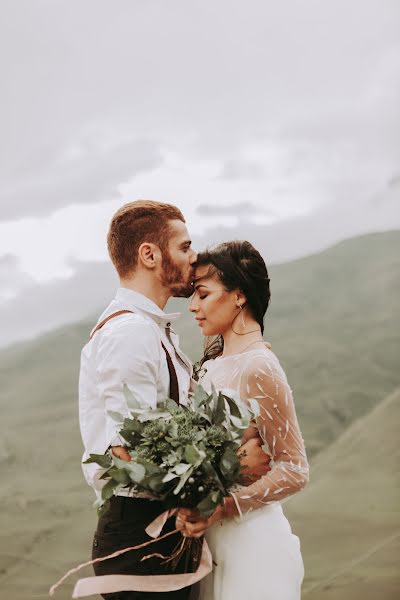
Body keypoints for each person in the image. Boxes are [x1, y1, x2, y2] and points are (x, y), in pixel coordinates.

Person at [78, 201, 271, 600]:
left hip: (159, 530)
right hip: (140, 532)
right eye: (184, 247)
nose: (194, 256)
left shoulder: (148, 330)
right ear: (149, 254)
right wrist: (214, 483)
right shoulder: (130, 333)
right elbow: (125, 448)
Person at [177, 240, 310, 600]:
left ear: (238, 296)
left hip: (252, 545)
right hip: (213, 545)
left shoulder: (259, 365)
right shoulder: (212, 365)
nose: (193, 306)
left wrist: (223, 507)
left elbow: (295, 468)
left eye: (203, 294)